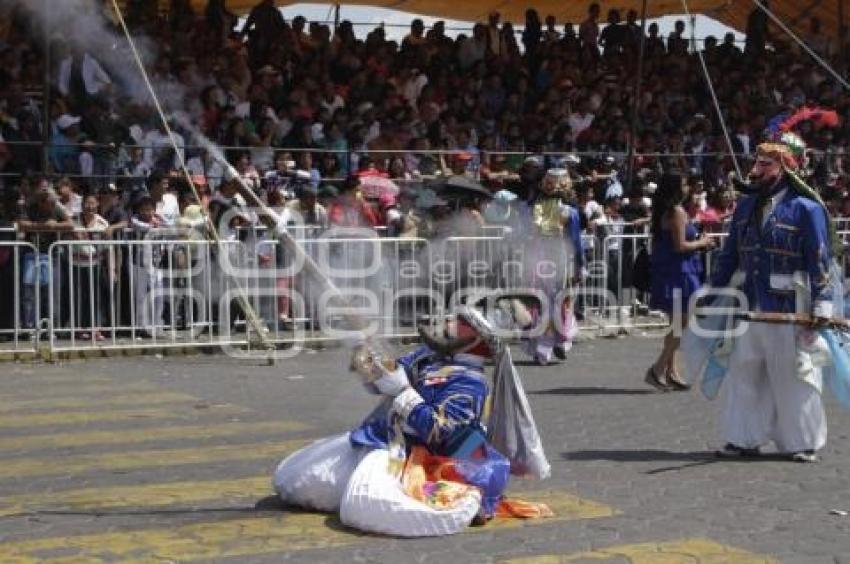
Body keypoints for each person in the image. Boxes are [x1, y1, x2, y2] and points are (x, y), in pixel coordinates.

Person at [273, 306, 551, 536]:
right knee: (294, 478)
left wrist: (404, 393)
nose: (447, 322)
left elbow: (438, 431)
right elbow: (382, 380)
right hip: (381, 438)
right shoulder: (427, 356)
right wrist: (366, 353)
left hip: (413, 456)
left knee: (362, 507)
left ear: (477, 338)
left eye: (460, 322)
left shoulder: (470, 383)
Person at [708, 134, 835, 462]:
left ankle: (803, 441)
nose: (755, 170)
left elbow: (820, 259)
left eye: (765, 164)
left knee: (793, 377)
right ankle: (743, 437)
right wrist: (712, 291)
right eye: (757, 163)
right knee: (744, 374)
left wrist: (823, 303)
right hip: (749, 307)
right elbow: (729, 255)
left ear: (786, 167)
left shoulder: (806, 209)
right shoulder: (747, 206)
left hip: (790, 308)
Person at [646, 172, 715, 391]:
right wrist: (702, 241)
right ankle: (658, 368)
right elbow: (680, 246)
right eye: (684, 183)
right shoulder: (676, 211)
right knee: (682, 323)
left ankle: (670, 370)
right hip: (679, 272)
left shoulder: (669, 211)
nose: (688, 187)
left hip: (675, 270)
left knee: (677, 323)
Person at [523, 169, 584, 365]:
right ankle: (552, 343)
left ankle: (549, 345)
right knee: (552, 301)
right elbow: (575, 242)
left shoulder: (537, 209)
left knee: (548, 302)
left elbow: (575, 240)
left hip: (547, 258)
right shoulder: (564, 211)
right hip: (550, 258)